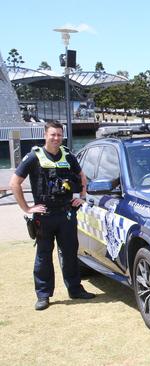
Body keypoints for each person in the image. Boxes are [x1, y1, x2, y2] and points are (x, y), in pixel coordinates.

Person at [10, 121, 95, 311]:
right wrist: (27, 208)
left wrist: (81, 197)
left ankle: (75, 289)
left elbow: (82, 177)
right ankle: (43, 295)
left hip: (66, 214)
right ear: (45, 135)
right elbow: (15, 183)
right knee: (43, 257)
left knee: (71, 254)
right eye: (52, 135)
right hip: (44, 216)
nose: (56, 138)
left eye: (59, 135)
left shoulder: (68, 156)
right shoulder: (33, 157)